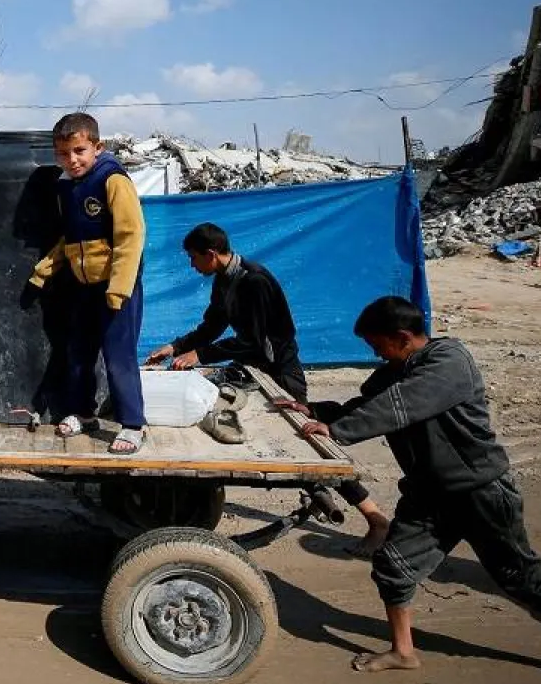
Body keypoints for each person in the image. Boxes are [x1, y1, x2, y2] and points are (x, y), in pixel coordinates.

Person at [300, 296, 541, 684]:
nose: (375, 353)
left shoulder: (449, 361)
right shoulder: (396, 371)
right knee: (393, 565)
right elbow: (366, 404)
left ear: (402, 337)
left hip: (480, 491)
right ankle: (404, 651)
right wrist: (313, 411)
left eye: (378, 344)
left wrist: (339, 431)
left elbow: (402, 405)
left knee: (521, 577)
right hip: (430, 493)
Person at [144, 223, 391, 556]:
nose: (192, 266)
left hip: (279, 370)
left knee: (310, 443)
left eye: (193, 258)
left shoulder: (254, 282)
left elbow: (253, 343)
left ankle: (375, 519)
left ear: (211, 254)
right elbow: (213, 326)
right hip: (257, 368)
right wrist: (174, 347)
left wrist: (200, 355)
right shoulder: (224, 280)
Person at [26, 113, 147, 454]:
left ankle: (133, 424)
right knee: (78, 352)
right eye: (63, 153)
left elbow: (130, 236)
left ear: (98, 147)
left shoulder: (112, 180)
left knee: (118, 356)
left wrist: (119, 289)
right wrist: (44, 269)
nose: (72, 160)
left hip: (115, 287)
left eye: (79, 150)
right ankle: (83, 412)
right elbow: (72, 238)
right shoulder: (67, 185)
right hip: (84, 285)